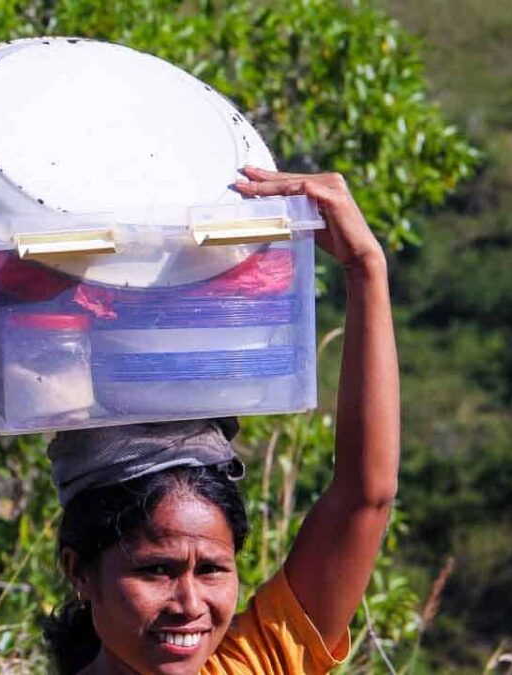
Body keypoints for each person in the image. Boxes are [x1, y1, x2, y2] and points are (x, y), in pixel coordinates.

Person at [43, 167, 400, 675]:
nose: (189, 603)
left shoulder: (251, 664)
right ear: (80, 572)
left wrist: (366, 267)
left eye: (211, 569)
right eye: (155, 570)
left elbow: (366, 497)